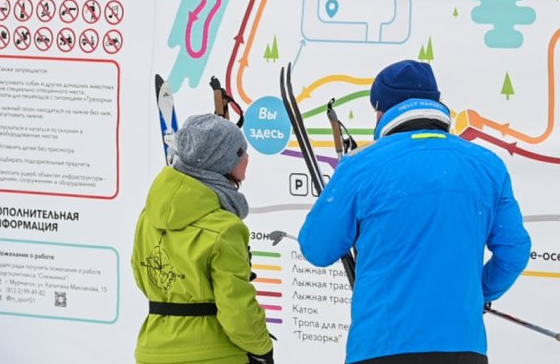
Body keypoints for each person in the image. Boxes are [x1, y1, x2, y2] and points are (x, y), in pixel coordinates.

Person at [298, 60, 531, 364]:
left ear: (381, 110)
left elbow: (317, 248)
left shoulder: (361, 166)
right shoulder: (487, 165)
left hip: (382, 347)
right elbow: (515, 250)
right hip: (463, 347)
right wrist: (477, 293)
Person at [131, 113, 274, 364]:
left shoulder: (148, 217)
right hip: (213, 353)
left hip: (152, 348)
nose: (247, 160)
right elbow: (236, 308)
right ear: (221, 163)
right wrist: (262, 350)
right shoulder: (226, 229)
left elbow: (142, 275)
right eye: (241, 154)